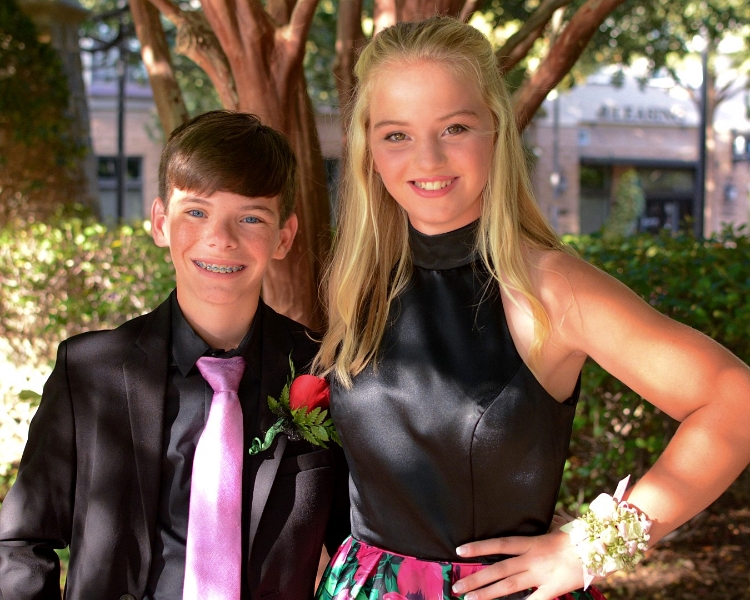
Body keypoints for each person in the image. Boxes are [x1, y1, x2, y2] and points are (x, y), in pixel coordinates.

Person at [312, 16, 750, 600]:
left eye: (455, 127)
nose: (428, 158)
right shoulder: (362, 282)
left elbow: (735, 401)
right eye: (397, 135)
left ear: (496, 130)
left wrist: (591, 546)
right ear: (368, 149)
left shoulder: (548, 285)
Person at [0, 110, 349, 600]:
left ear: (284, 237)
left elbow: (368, 540)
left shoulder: (328, 371)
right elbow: (20, 542)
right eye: (197, 212)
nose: (220, 237)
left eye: (251, 217)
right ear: (161, 223)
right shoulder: (89, 374)